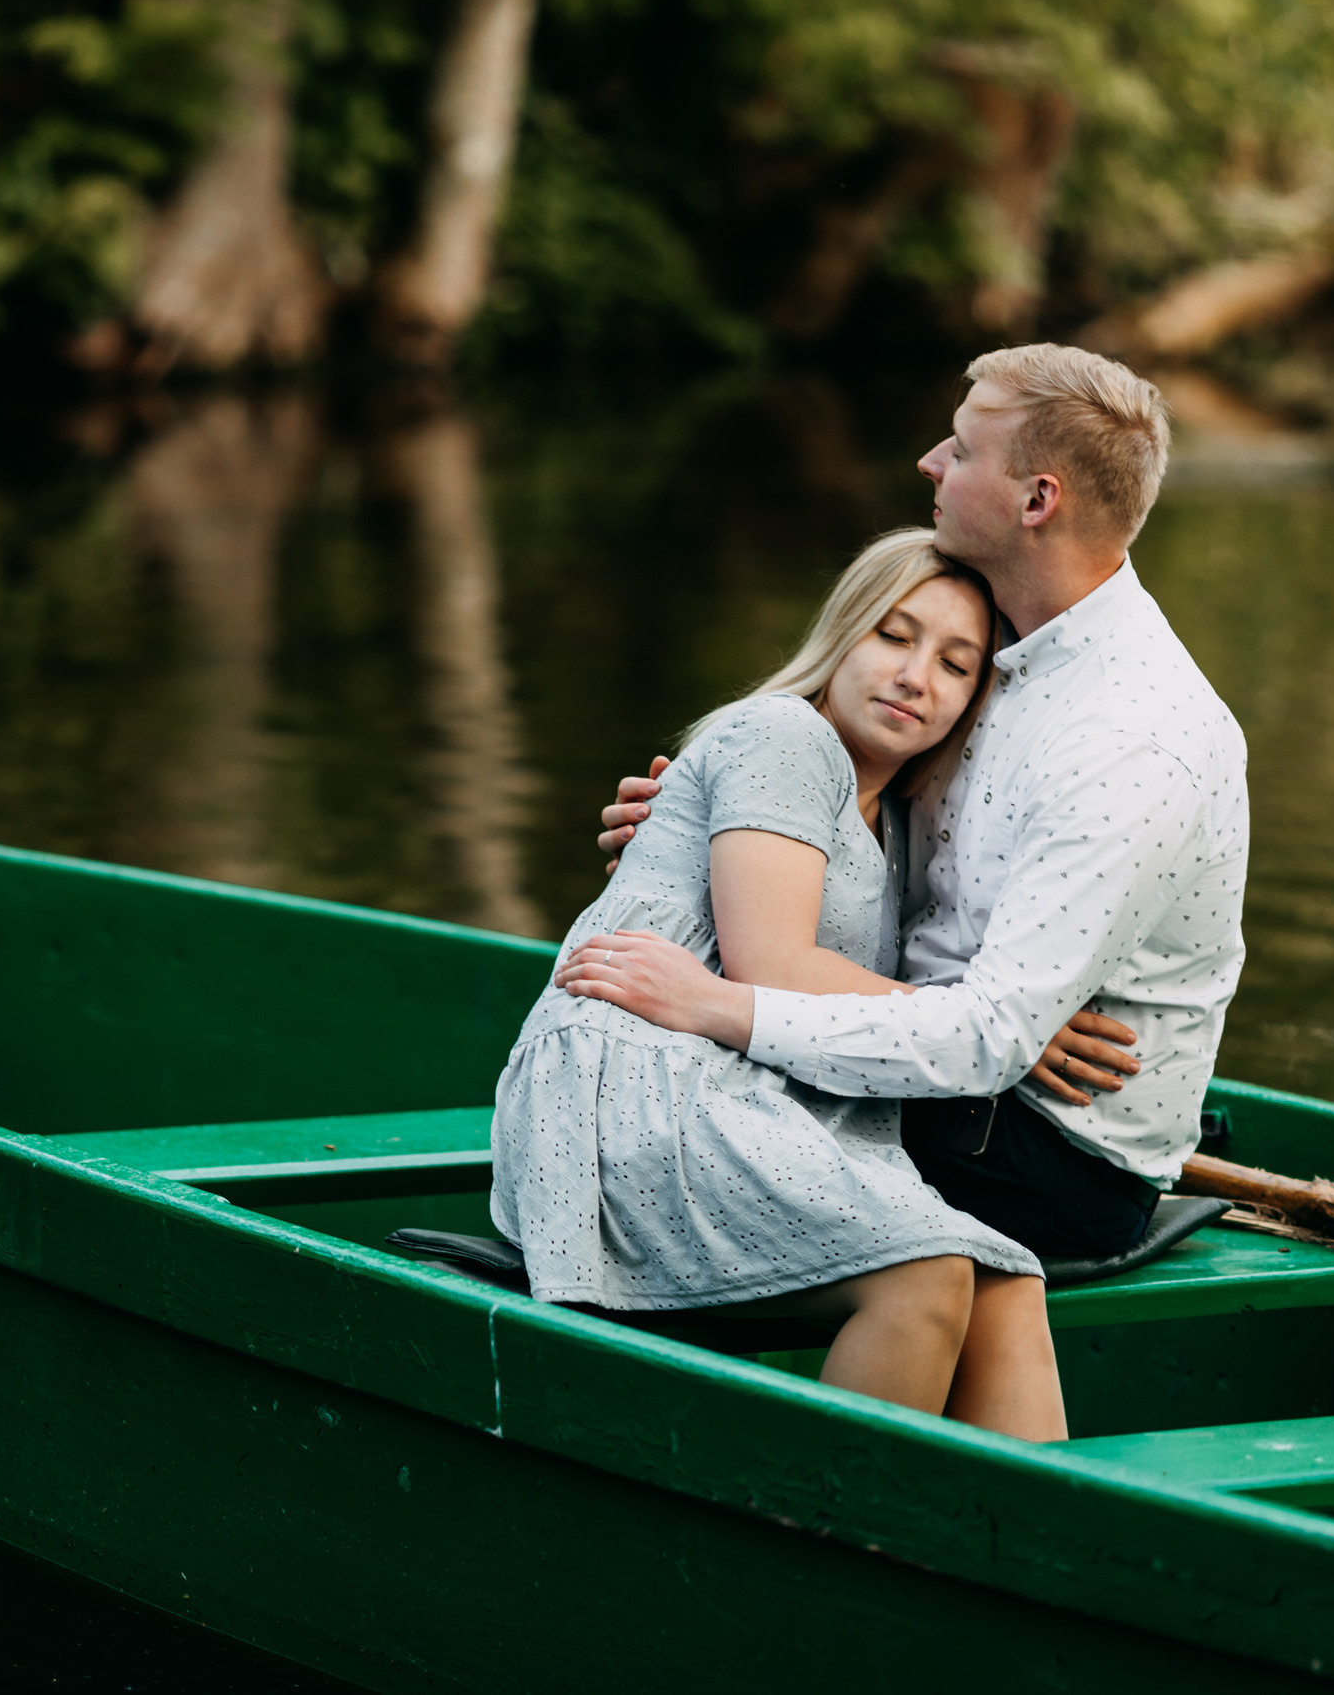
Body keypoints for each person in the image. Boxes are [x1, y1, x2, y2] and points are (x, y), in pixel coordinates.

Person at [585, 343, 1248, 1265]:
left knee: (673, 1123)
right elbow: (850, 819)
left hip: (1025, 1149)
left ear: (1036, 501)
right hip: (943, 1067)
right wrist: (704, 836)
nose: (930, 464)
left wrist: (721, 1005)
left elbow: (986, 1038)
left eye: (962, 449)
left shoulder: (1129, 738)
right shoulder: (991, 636)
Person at [494, 527, 1067, 1442]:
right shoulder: (784, 734)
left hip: (742, 1085)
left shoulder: (904, 825)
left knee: (1006, 1281)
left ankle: (1042, 1571)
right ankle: (821, 1554)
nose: (917, 676)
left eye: (956, 665)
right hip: (640, 1074)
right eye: (893, 635)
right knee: (925, 1274)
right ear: (841, 634)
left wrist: (1022, 1011)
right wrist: (995, 1025)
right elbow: (777, 967)